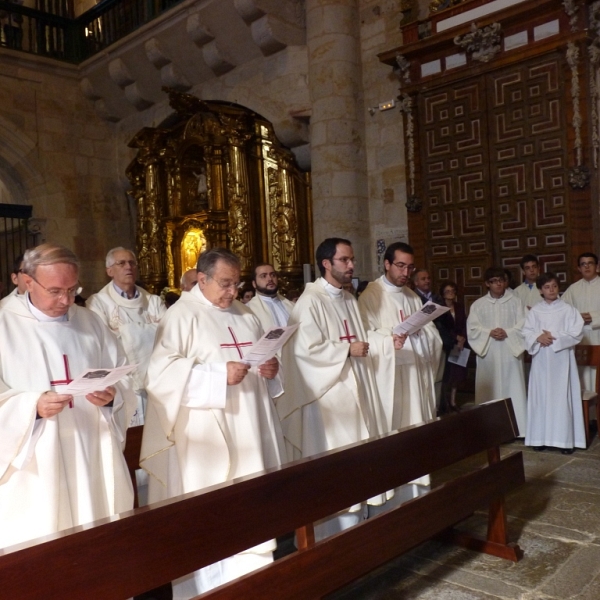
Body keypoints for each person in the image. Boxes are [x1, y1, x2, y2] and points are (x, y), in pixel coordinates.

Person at [141, 247, 285, 598]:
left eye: (236, 284)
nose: (232, 292)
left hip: (249, 429)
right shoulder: (181, 316)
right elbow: (159, 376)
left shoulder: (246, 314)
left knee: (249, 525)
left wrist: (270, 369)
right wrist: (217, 374)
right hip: (204, 442)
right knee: (208, 528)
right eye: (224, 284)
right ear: (201, 279)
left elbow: (263, 355)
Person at [0, 243, 136, 550]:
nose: (66, 300)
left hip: (91, 452)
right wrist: (31, 406)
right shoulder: (3, 325)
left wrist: (112, 398)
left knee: (96, 547)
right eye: (55, 291)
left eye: (73, 290)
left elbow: (122, 375)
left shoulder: (91, 323)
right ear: (28, 282)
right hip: (35, 466)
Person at [278, 238, 386, 537]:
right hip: (328, 398)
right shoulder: (310, 302)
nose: (352, 266)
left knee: (358, 462)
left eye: (351, 260)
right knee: (337, 466)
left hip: (357, 390)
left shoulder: (349, 299)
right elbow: (302, 351)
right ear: (326, 263)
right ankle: (334, 533)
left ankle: (361, 522)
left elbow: (361, 339)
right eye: (345, 260)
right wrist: (345, 351)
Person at [359, 242, 442, 432]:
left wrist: (420, 332)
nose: (406, 273)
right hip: (391, 374)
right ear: (387, 264)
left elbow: (432, 333)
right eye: (401, 266)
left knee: (417, 421)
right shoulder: (370, 296)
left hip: (415, 371)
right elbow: (365, 335)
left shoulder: (412, 296)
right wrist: (391, 337)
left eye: (410, 267)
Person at [87, 247, 166, 426]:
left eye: (132, 263)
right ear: (109, 271)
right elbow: (105, 343)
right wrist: (149, 330)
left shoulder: (153, 301)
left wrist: (125, 332)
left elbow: (167, 337)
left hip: (157, 380)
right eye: (121, 263)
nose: (128, 267)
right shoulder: (98, 303)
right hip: (125, 383)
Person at [523, 273, 585, 454]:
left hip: (562, 359)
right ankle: (540, 437)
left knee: (561, 396)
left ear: (559, 288)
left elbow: (576, 332)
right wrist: (537, 337)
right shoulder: (535, 311)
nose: (551, 290)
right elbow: (526, 332)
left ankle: (564, 441)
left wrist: (555, 338)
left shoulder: (568, 309)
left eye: (554, 286)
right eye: (547, 287)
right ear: (541, 290)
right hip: (541, 359)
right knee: (541, 396)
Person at [467, 268, 527, 435]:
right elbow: (472, 328)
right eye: (494, 281)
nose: (498, 284)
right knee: (490, 389)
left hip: (510, 352)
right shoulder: (478, 305)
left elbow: (524, 324)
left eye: (501, 280)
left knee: (513, 388)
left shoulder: (516, 302)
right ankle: (490, 430)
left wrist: (508, 332)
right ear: (487, 284)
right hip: (490, 353)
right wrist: (489, 332)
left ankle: (518, 429)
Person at [411, 268, 454, 410]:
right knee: (428, 376)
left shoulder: (437, 297)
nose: (427, 281)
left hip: (440, 340)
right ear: (416, 282)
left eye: (428, 278)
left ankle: (440, 406)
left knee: (441, 376)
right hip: (424, 341)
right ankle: (428, 408)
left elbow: (448, 320)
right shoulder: (413, 298)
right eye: (423, 279)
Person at [562, 252, 600, 391]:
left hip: (598, 333)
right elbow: (563, 311)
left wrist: (594, 317)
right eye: (583, 264)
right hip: (582, 336)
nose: (587, 267)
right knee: (583, 376)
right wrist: (577, 317)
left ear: (597, 266)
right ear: (579, 268)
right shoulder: (573, 289)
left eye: (590, 263)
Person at [440, 281, 469, 413]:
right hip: (447, 344)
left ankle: (453, 400)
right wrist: (455, 338)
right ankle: (445, 401)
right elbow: (442, 328)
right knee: (447, 374)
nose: (451, 293)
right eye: (448, 291)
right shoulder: (440, 308)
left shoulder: (459, 306)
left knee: (457, 374)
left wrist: (462, 338)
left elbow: (464, 323)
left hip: (460, 345)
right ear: (443, 294)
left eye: (452, 291)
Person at [247, 264, 294, 330]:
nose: (270, 279)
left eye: (273, 275)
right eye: (263, 276)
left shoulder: (291, 305)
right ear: (254, 284)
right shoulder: (248, 310)